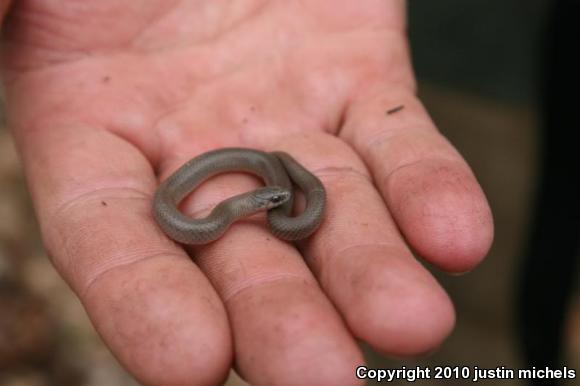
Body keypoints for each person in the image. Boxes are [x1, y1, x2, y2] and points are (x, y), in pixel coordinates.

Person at [0, 1, 493, 385]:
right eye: (273, 198)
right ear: (249, 204)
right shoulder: (217, 215)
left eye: (277, 199)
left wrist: (283, 190)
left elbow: (279, 203)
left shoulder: (258, 208)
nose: (278, 200)